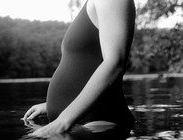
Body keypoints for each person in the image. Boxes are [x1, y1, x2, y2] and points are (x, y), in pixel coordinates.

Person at [23, 0, 136, 138]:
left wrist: (63, 120)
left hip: (98, 123)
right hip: (84, 123)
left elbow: (114, 64)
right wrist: (53, 104)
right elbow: (85, 65)